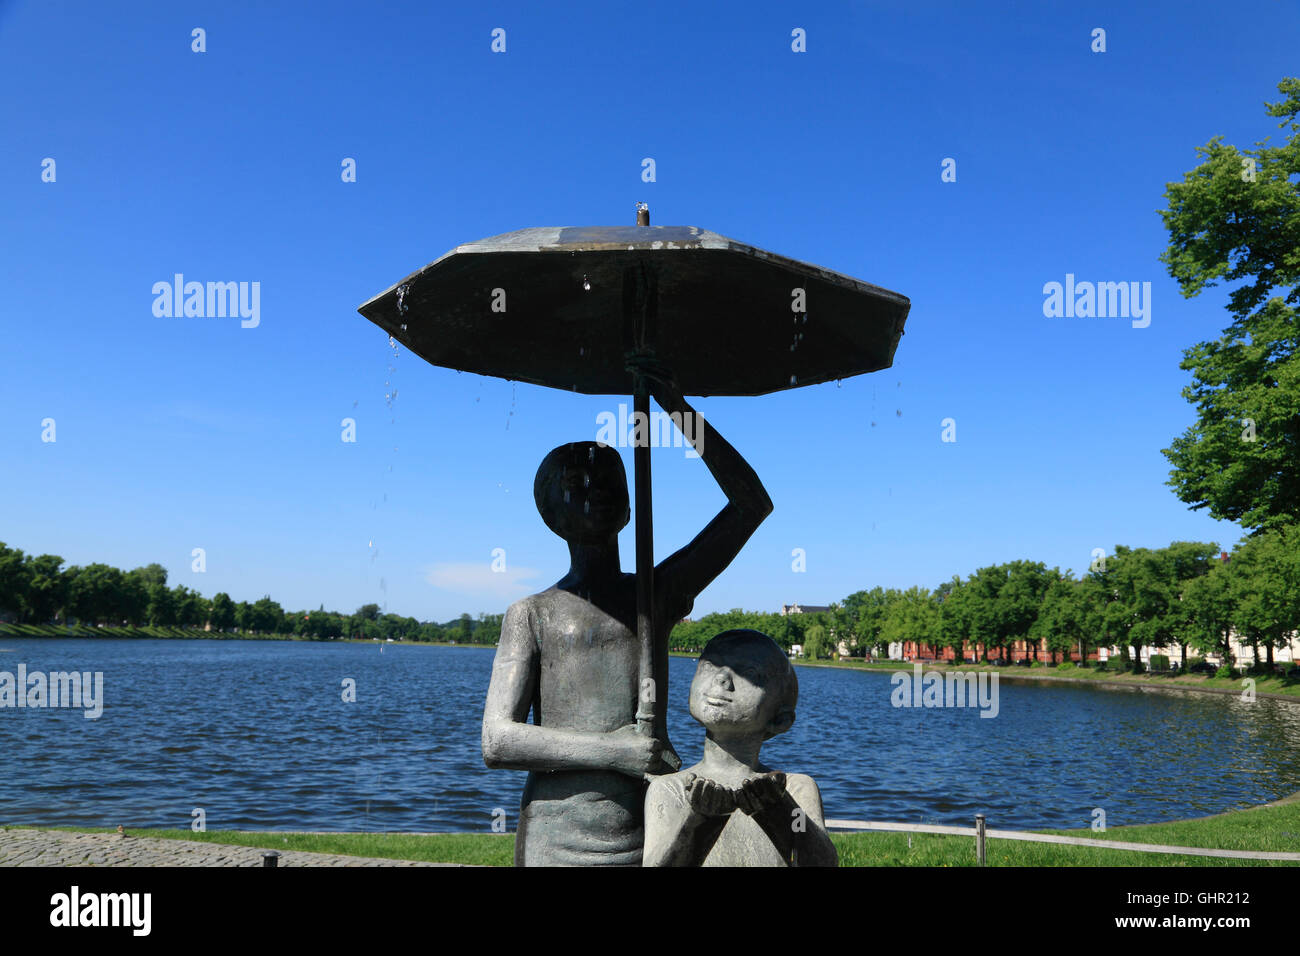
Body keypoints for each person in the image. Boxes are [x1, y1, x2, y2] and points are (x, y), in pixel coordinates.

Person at [481, 359, 772, 866]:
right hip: (555, 839)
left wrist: (677, 410)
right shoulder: (531, 615)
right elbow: (498, 739)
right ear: (549, 512)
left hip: (652, 831)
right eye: (576, 482)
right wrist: (614, 752)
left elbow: (750, 505)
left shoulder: (655, 597)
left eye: (608, 477)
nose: (595, 488)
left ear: (630, 505)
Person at [643, 629, 838, 866]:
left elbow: (822, 862)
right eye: (709, 666)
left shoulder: (795, 789)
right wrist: (699, 822)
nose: (722, 678)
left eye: (750, 674)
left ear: (780, 719)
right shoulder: (670, 789)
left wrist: (780, 811)